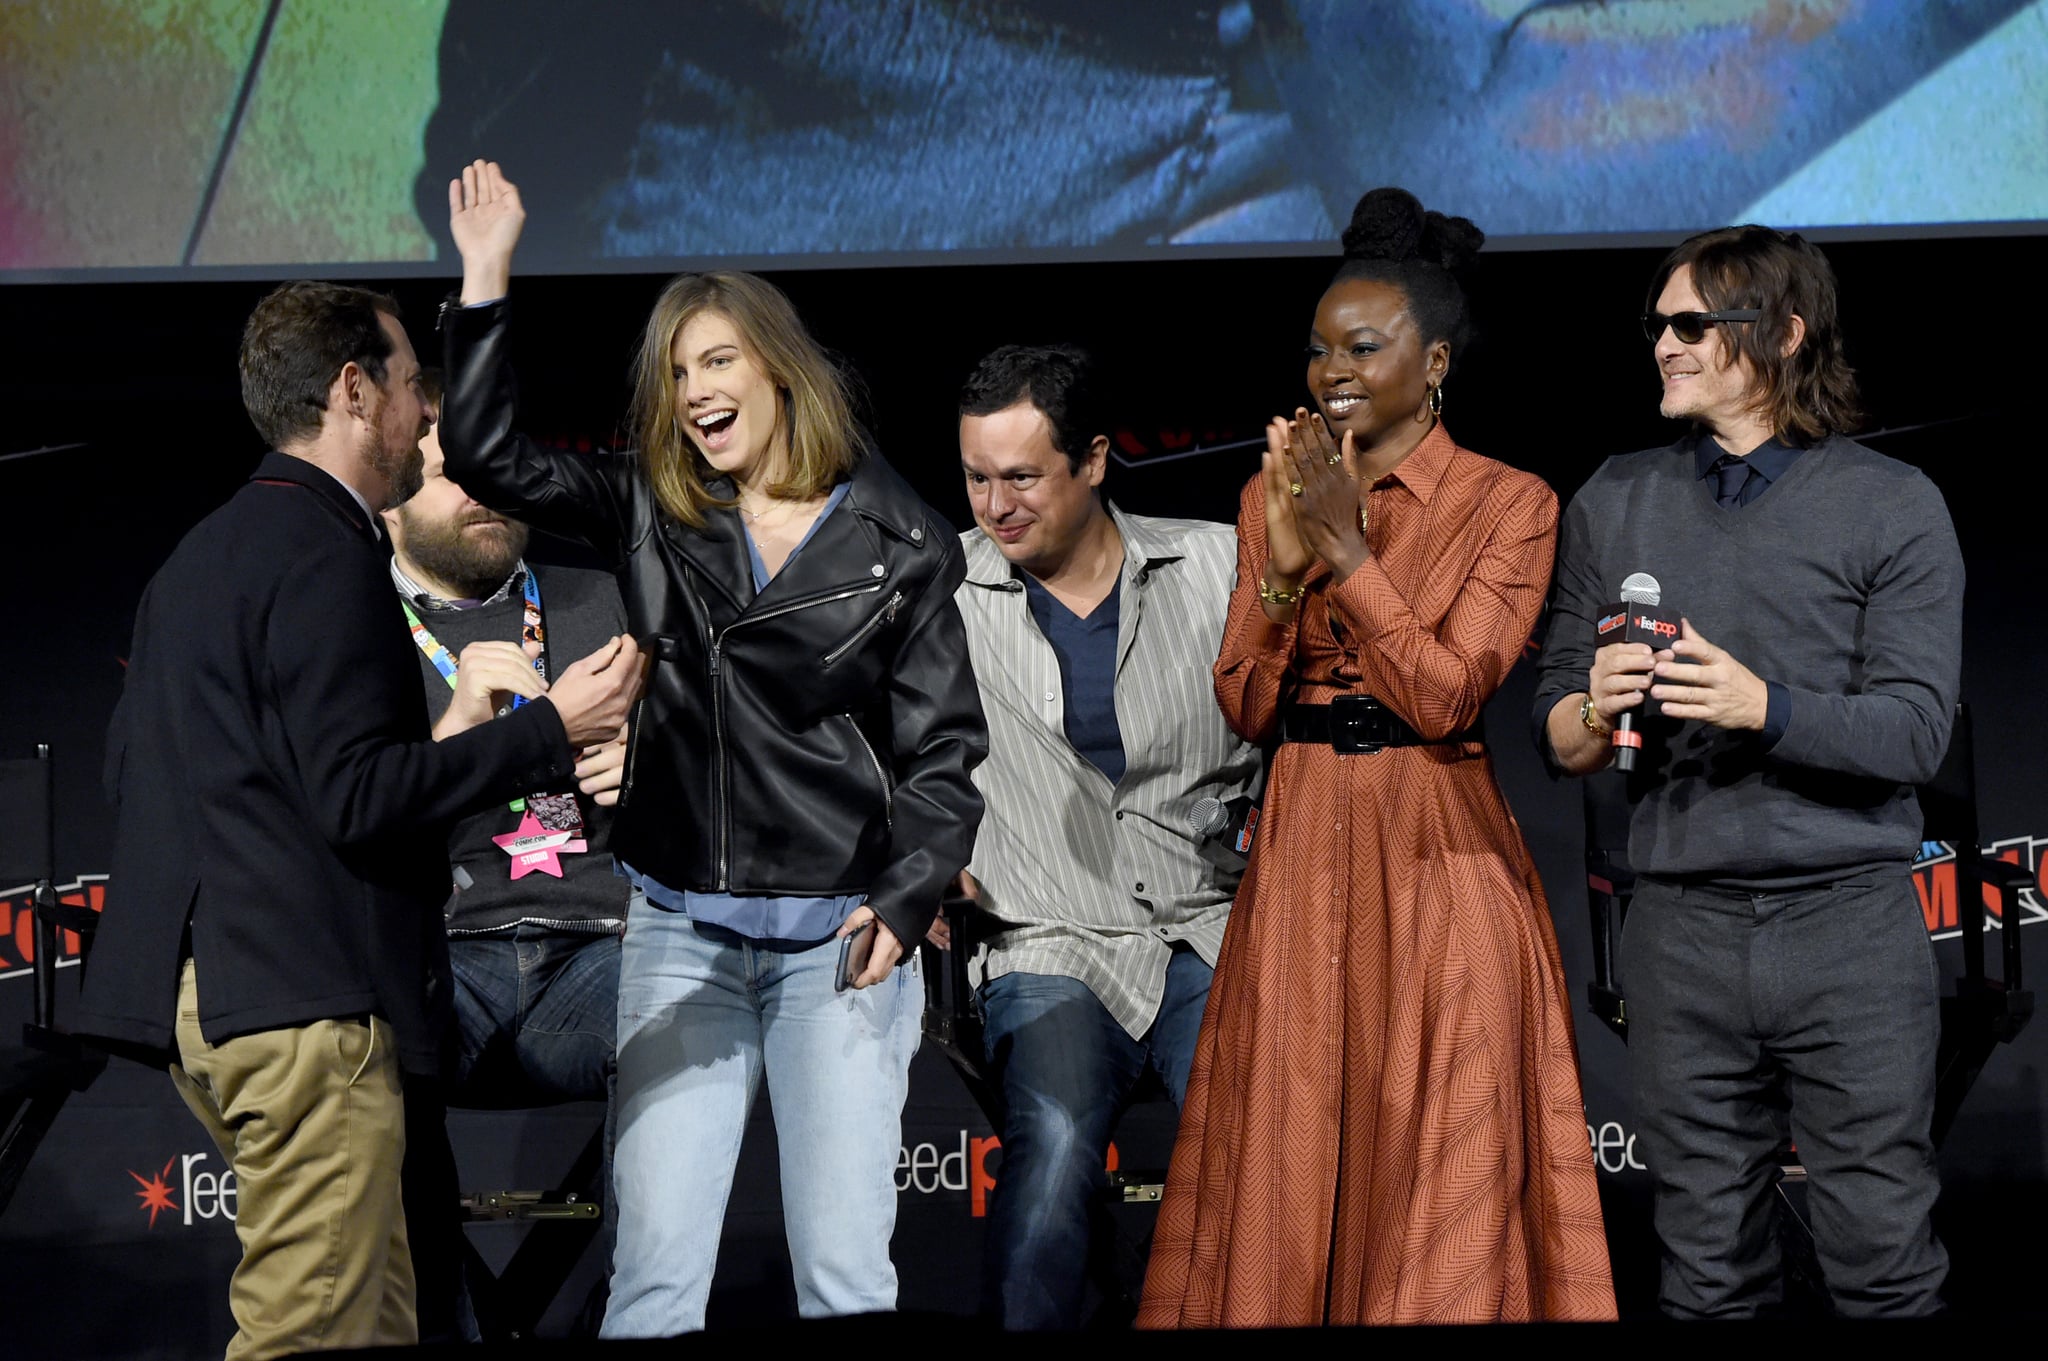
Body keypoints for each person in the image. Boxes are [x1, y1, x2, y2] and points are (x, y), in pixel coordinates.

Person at [436, 160, 987, 1336]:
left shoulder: (902, 541)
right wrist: (484, 278)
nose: (694, 392)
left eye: (717, 361)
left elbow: (943, 756)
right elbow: (488, 458)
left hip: (835, 948)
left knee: (845, 1283)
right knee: (651, 1287)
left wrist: (902, 895)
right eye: (678, 372)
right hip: (680, 934)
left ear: (779, 369)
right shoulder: (651, 507)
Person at [74, 281, 643, 1360]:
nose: (428, 415)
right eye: (413, 387)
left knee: (377, 1319)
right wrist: (548, 729)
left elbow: (129, 776)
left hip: (218, 1002)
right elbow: (358, 795)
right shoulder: (327, 552)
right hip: (302, 1007)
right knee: (312, 1329)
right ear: (353, 388)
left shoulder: (196, 560)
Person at [1136, 188, 1616, 1326]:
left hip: (1437, 855)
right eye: (1316, 349)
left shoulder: (1511, 500)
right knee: (1291, 1163)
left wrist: (1347, 554)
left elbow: (1445, 695)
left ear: (1434, 358)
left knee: (1434, 1159)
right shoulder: (1271, 491)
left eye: (1362, 345)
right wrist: (1281, 570)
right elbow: (1247, 702)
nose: (1330, 370)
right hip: (1300, 853)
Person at [1530, 225, 1961, 1318]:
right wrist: (1592, 701)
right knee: (1706, 1268)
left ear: (1777, 333)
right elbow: (1556, 731)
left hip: (1847, 924)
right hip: (1680, 929)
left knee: (1879, 1260)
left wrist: (1760, 706)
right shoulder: (1611, 497)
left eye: (1690, 325)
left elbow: (1914, 732)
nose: (1663, 346)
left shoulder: (1890, 501)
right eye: (1656, 325)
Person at [942, 344, 1261, 1329]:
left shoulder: (1217, 565)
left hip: (1203, 928)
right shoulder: (935, 590)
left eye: (1023, 476)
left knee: (1264, 1140)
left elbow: (1292, 723)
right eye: (976, 477)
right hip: (1040, 934)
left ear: (1091, 460)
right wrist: (911, 853)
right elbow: (860, 745)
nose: (996, 505)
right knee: (1052, 1134)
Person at [380, 375, 632, 1340]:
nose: (484, 491)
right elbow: (350, 821)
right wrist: (452, 741)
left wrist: (654, 770)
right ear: (395, 487)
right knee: (366, 1057)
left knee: (684, 1013)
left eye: (497, 469)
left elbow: (708, 794)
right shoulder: (355, 624)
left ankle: (631, 1318)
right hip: (448, 957)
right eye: (453, 475)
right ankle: (464, 1327)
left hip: (600, 947)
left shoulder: (598, 596)